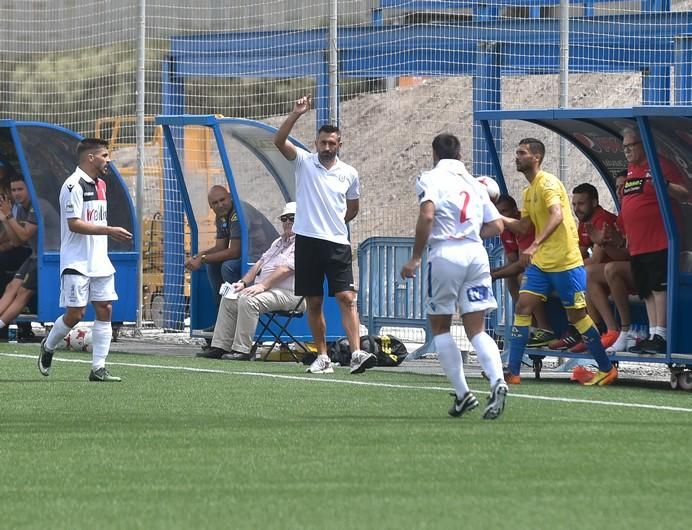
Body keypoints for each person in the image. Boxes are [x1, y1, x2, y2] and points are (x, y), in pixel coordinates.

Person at [400, 134, 508, 418]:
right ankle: (497, 380)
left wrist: (414, 257)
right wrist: (470, 234)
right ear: (460, 154)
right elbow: (497, 225)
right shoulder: (473, 182)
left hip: (446, 254)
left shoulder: (430, 177)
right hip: (476, 253)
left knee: (441, 327)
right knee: (477, 329)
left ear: (434, 154)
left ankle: (463, 393)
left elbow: (427, 216)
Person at [500, 138, 617, 386]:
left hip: (566, 263)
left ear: (536, 158)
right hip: (543, 264)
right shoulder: (528, 191)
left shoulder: (548, 183)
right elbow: (523, 226)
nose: (517, 157)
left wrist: (534, 244)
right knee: (523, 307)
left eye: (522, 153)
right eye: (516, 152)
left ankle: (606, 368)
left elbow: (557, 215)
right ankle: (513, 372)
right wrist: (495, 217)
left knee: (578, 318)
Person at [274, 94, 376, 375]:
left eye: (332, 143)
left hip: (337, 243)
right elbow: (279, 142)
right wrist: (296, 113)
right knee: (314, 301)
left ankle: (356, 353)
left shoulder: (349, 173)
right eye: (323, 142)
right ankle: (322, 357)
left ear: (340, 145)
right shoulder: (304, 162)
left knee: (346, 297)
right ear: (316, 143)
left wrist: (335, 223)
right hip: (307, 241)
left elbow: (352, 207)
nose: (327, 147)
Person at [38, 138, 132, 381]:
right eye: (105, 155)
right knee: (76, 314)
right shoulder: (72, 186)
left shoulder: (100, 184)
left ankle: (98, 368)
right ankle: (48, 346)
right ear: (91, 158)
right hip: (77, 261)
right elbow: (74, 224)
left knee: (105, 308)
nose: (108, 160)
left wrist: (108, 233)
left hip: (99, 260)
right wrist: (110, 230)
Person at [195, 202, 305, 360]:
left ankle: (243, 350)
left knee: (248, 300)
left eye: (292, 218)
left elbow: (285, 269)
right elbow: (260, 263)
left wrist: (261, 285)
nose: (287, 222)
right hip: (270, 290)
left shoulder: (303, 243)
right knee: (230, 298)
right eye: (284, 219)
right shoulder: (278, 242)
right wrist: (243, 283)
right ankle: (220, 346)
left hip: (292, 295)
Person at [618, 128, 690, 354]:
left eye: (631, 146)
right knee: (646, 289)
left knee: (659, 288)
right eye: (625, 147)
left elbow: (684, 193)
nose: (627, 151)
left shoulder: (661, 165)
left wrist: (664, 184)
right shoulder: (631, 170)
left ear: (643, 144)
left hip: (659, 240)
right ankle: (652, 333)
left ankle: (662, 335)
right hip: (638, 244)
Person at [491, 194, 555, 348]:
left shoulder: (525, 226)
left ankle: (544, 328)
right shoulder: (504, 228)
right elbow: (513, 260)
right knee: (512, 278)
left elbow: (522, 264)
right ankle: (530, 325)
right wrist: (494, 272)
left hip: (550, 269)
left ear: (515, 211)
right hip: (533, 268)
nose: (500, 216)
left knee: (523, 278)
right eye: (497, 212)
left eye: (504, 212)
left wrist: (494, 274)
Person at [567, 182, 619, 351]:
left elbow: (596, 259)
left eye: (581, 204)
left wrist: (569, 268)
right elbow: (579, 253)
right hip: (602, 274)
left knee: (584, 274)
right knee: (575, 276)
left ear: (594, 203)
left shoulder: (601, 219)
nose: (577, 208)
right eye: (574, 204)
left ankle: (604, 330)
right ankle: (590, 332)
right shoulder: (585, 220)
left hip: (617, 274)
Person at [185, 185, 242, 307]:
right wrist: (200, 255)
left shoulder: (237, 214)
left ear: (230, 197)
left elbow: (235, 252)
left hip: (258, 257)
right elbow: (220, 248)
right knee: (212, 264)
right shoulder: (221, 216)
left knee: (228, 267)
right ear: (210, 206)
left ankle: (235, 312)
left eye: (222, 200)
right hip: (245, 255)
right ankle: (220, 318)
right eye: (215, 203)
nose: (220, 205)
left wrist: (203, 258)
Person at [0, 175, 38, 334]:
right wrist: (4, 219)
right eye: (14, 190)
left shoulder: (37, 206)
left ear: (29, 189)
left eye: (20, 189)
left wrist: (9, 216)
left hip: (51, 256)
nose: (16, 193)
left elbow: (24, 236)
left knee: (23, 292)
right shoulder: (21, 209)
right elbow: (17, 242)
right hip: (34, 256)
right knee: (11, 286)